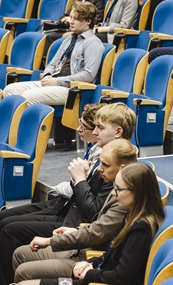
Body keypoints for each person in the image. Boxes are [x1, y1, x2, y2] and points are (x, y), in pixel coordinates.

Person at [0, 103, 136, 283]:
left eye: (100, 127)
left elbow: (95, 218)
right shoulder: (106, 158)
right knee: (10, 228)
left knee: (10, 231)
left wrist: (80, 179)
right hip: (73, 222)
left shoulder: (120, 178)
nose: (94, 132)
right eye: (94, 127)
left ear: (118, 132)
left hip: (80, 241)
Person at [34, 162, 166, 285]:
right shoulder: (132, 216)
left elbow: (120, 276)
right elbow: (110, 257)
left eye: (119, 189)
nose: (114, 194)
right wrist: (88, 263)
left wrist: (89, 274)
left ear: (137, 192)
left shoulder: (141, 227)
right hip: (97, 275)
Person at [1, 1, 104, 106]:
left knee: (27, 96)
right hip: (54, 82)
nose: (71, 22)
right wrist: (47, 75)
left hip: (72, 89)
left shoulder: (93, 43)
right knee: (10, 90)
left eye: (76, 19)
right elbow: (53, 63)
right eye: (71, 17)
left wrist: (58, 81)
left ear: (88, 21)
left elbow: (88, 75)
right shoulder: (69, 39)